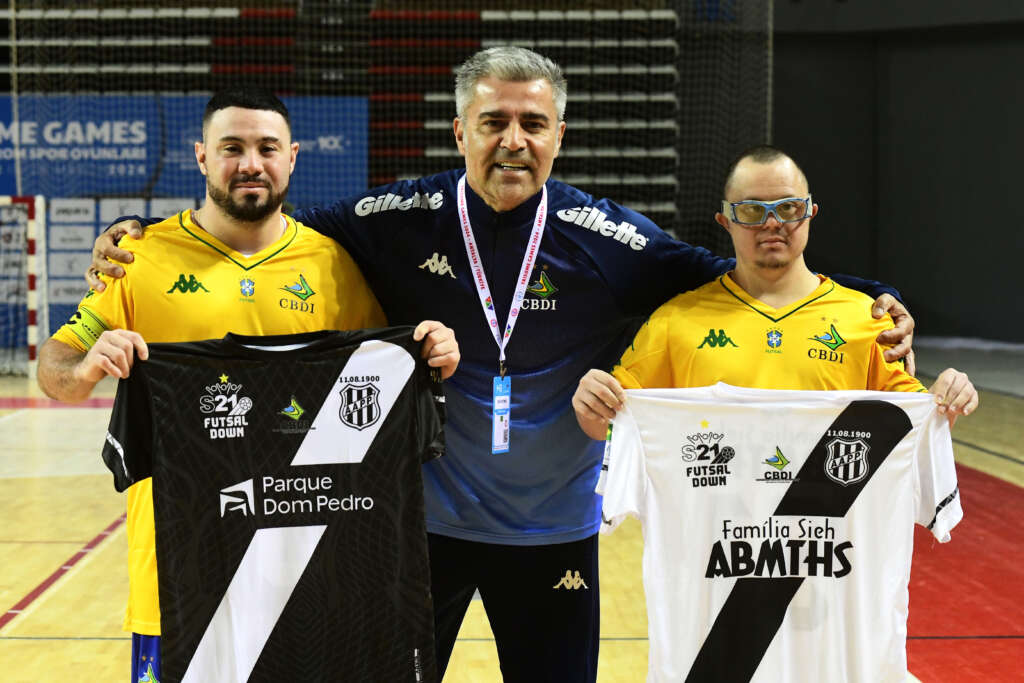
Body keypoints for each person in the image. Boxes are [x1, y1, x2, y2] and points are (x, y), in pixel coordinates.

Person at [86, 50, 915, 683]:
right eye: (494, 122)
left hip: (554, 535)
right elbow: (261, 223)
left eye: (532, 123)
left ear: (559, 136)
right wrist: (143, 233)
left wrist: (872, 293)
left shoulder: (609, 237)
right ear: (460, 133)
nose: (513, 140)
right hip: (424, 531)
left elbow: (742, 270)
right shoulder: (394, 217)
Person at [37, 89, 460, 682]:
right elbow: (55, 368)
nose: (250, 163)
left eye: (266, 148)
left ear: (292, 157)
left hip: (304, 571)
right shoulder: (139, 259)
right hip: (176, 578)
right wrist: (81, 370)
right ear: (202, 157)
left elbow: (382, 381)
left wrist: (430, 352)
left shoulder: (330, 265)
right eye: (231, 147)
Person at [572, 144, 976, 438]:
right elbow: (608, 424)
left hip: (825, 548)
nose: (771, 223)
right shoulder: (674, 321)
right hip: (711, 548)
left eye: (787, 208)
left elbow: (915, 427)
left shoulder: (867, 321)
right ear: (724, 221)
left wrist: (948, 399)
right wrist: (590, 403)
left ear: (810, 212)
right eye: (751, 210)